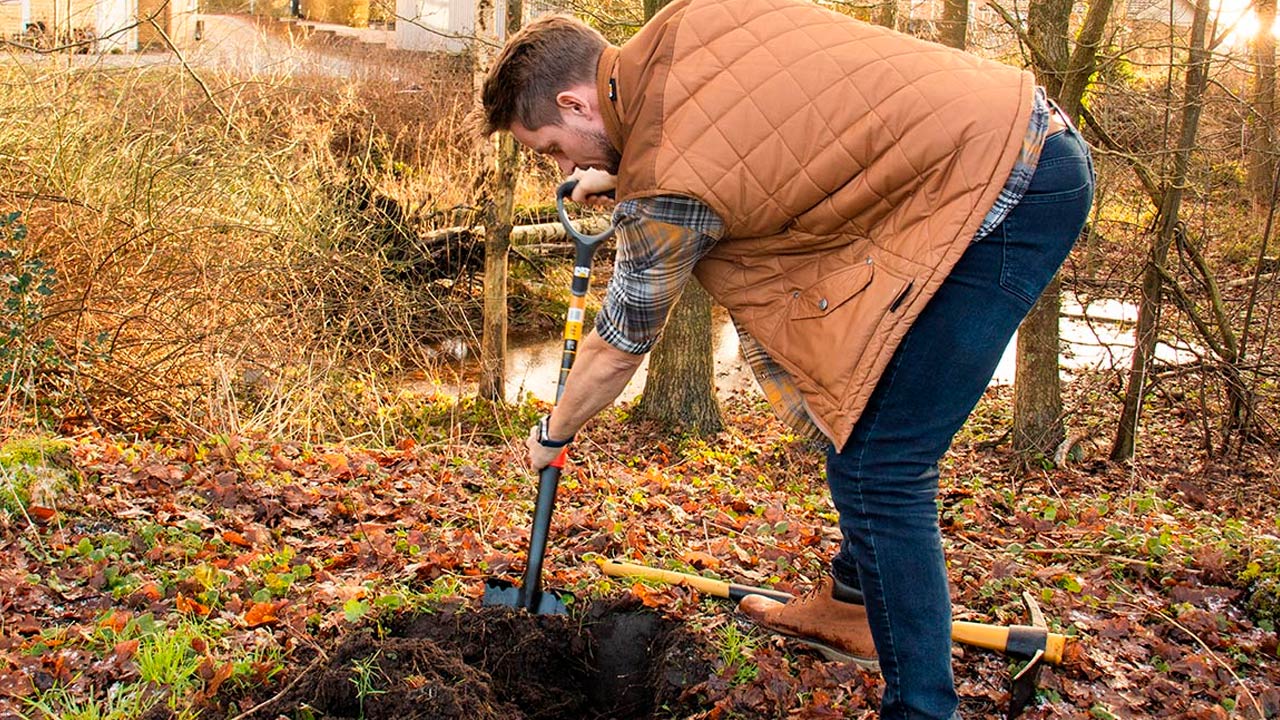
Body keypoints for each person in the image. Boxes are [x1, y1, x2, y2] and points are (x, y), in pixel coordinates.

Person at [482, 0, 1093, 716]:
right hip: (1009, 136)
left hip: (1005, 192)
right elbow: (765, 131)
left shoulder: (668, 186)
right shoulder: (682, 32)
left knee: (883, 465)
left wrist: (554, 432)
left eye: (553, 147)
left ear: (575, 101)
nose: (565, 164)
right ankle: (852, 602)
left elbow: (620, 345)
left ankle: (923, 707)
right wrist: (618, 177)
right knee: (864, 429)